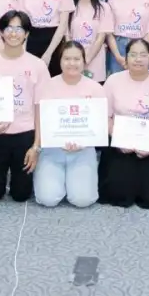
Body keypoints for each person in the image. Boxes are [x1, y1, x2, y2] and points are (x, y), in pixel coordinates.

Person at [0, 10, 51, 202]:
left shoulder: (38, 65)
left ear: (26, 34)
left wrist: (36, 146)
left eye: (19, 29)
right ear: (1, 32)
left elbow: (40, 108)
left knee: (21, 195)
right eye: (9, 28)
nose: (13, 33)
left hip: (24, 134)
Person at [99, 38, 149, 208]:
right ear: (126, 58)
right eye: (133, 55)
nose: (138, 59)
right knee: (119, 186)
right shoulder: (113, 81)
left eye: (143, 55)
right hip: (120, 141)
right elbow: (105, 116)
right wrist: (118, 139)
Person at [31, 41, 107, 208]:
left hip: (83, 150)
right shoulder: (47, 86)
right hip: (52, 150)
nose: (72, 63)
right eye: (67, 59)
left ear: (84, 61)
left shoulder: (96, 89)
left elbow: (100, 124)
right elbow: (39, 120)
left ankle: (74, 180)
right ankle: (56, 178)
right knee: (48, 199)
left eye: (76, 59)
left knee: (82, 200)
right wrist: (37, 147)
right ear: (60, 61)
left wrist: (84, 142)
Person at [70, 0, 114, 82]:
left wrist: (87, 59)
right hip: (73, 61)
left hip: (95, 60)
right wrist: (76, 59)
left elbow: (101, 38)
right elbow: (67, 37)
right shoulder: (70, 7)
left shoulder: (103, 7)